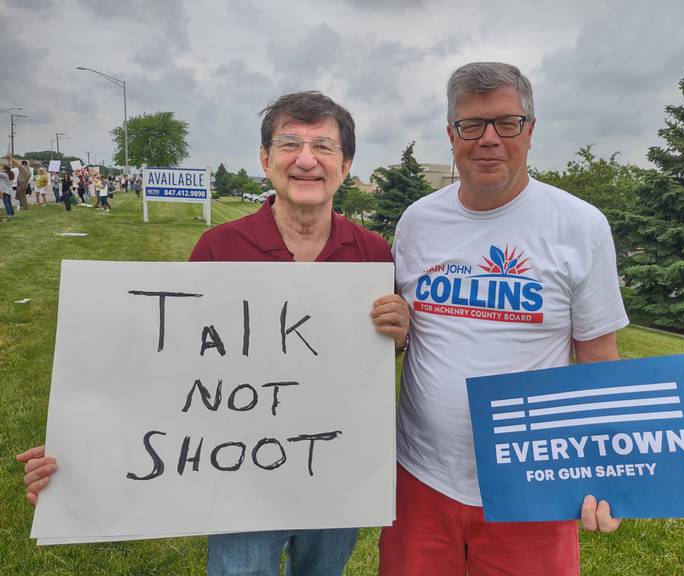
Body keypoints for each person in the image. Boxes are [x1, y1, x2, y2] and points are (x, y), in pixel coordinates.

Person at [18, 90, 409, 576]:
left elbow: (370, 359)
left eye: (324, 147)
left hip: (334, 470)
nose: (306, 159)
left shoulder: (371, 253)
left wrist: (397, 337)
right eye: (290, 145)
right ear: (266, 160)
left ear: (345, 165)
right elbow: (171, 365)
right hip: (237, 470)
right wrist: (78, 449)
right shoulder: (220, 247)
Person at [378, 62, 629, 576]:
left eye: (506, 122)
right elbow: (403, 339)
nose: (488, 138)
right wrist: (397, 333)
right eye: (471, 125)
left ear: (530, 131)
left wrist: (608, 472)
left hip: (533, 482)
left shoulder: (580, 226)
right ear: (451, 135)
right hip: (421, 478)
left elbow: (599, 355)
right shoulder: (418, 222)